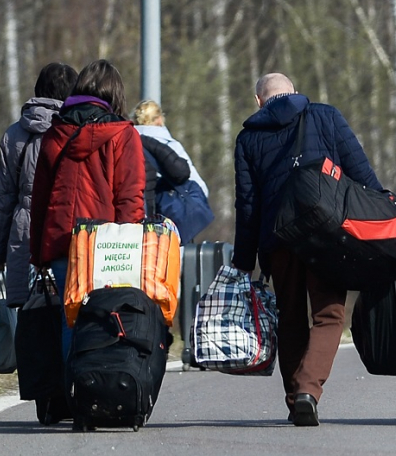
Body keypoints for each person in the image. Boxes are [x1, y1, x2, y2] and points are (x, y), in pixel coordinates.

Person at [232, 73, 381, 426]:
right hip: (325, 233)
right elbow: (360, 171)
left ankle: (293, 400)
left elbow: (248, 205)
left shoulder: (248, 137)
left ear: (258, 101)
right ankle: (307, 392)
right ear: (295, 93)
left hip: (278, 239)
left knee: (291, 318)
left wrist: (244, 259)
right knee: (328, 315)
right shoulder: (326, 115)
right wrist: (384, 209)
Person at [27, 59, 144, 424]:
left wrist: (38, 254)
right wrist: (132, 247)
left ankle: (78, 401)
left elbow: (40, 200)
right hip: (107, 246)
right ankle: (105, 395)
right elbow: (130, 197)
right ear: (114, 94)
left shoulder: (54, 134)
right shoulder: (123, 135)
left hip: (63, 242)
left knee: (69, 322)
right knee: (107, 321)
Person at [0, 63, 78, 309]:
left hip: (24, 234)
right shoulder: (78, 131)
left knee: (30, 321)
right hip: (67, 229)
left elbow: (3, 200)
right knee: (71, 315)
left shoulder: (14, 134)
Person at [130, 100, 196, 217]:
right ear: (159, 119)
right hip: (171, 213)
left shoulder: (127, 142)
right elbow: (192, 179)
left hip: (138, 212)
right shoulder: (170, 145)